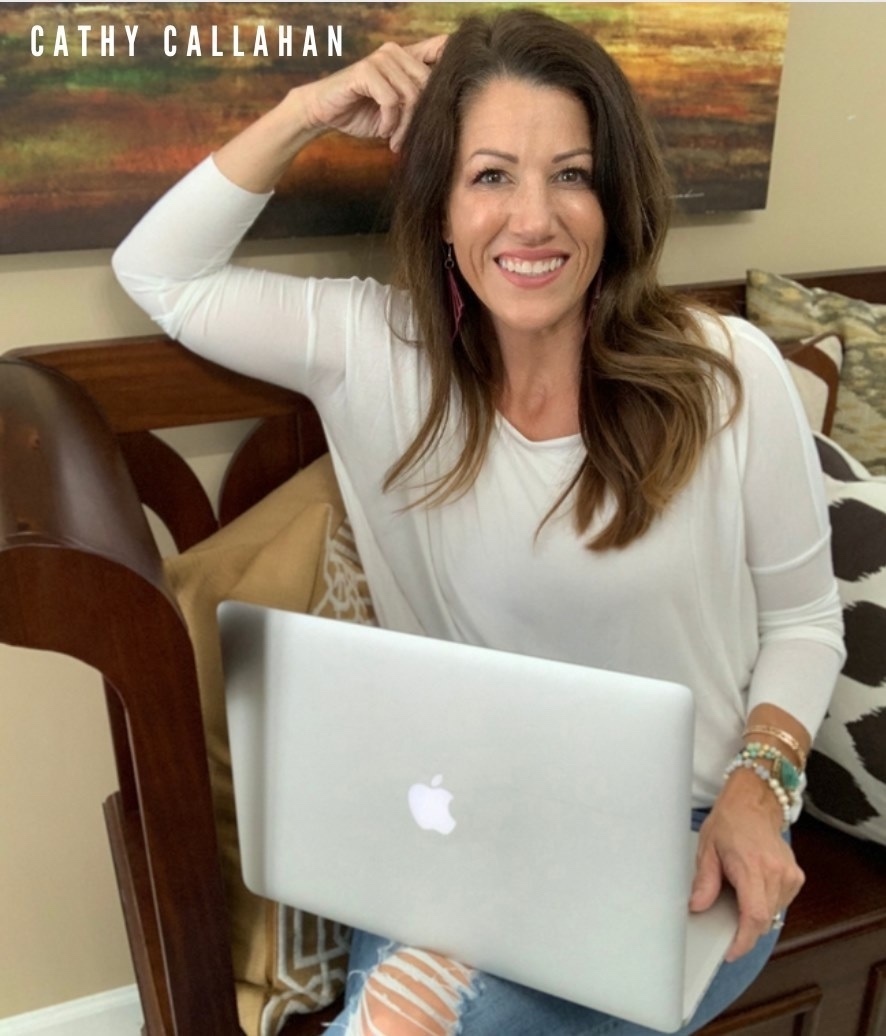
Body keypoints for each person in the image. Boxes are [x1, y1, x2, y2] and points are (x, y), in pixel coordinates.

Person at [112, 10, 845, 1035]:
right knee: (408, 1013)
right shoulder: (373, 349)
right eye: (490, 175)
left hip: (689, 834)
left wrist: (761, 786)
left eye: (572, 175)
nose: (532, 219)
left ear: (615, 199)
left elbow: (806, 620)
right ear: (442, 209)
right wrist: (310, 109)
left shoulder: (727, 374)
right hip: (454, 818)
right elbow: (159, 272)